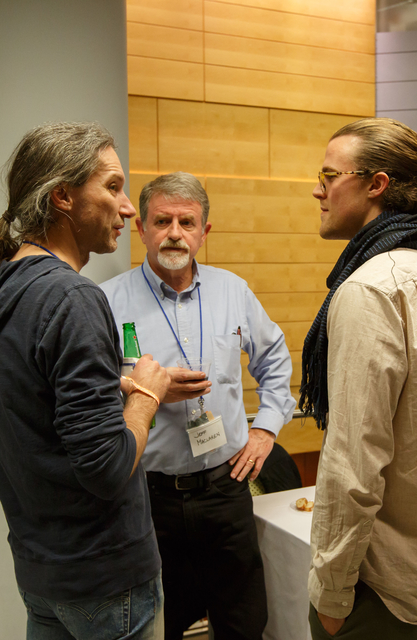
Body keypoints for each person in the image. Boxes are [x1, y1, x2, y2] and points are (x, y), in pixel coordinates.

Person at [0, 122, 171, 640]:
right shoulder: (71, 298)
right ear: (63, 197)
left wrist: (103, 390)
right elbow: (107, 468)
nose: (129, 208)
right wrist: (144, 396)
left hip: (42, 571)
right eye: (113, 187)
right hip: (105, 578)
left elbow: (36, 409)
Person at [301, 118, 417, 640]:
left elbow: (353, 461)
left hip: (378, 594)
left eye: (329, 174)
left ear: (376, 184)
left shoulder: (370, 290)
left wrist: (333, 593)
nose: (318, 188)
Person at [100, 172, 296, 640]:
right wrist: (147, 392)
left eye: (187, 222)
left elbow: (275, 360)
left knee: (244, 622)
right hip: (149, 499)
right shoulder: (107, 301)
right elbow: (88, 391)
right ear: (141, 229)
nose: (174, 233)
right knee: (157, 625)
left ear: (204, 232)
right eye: (161, 220)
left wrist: (266, 429)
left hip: (225, 490)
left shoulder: (233, 291)